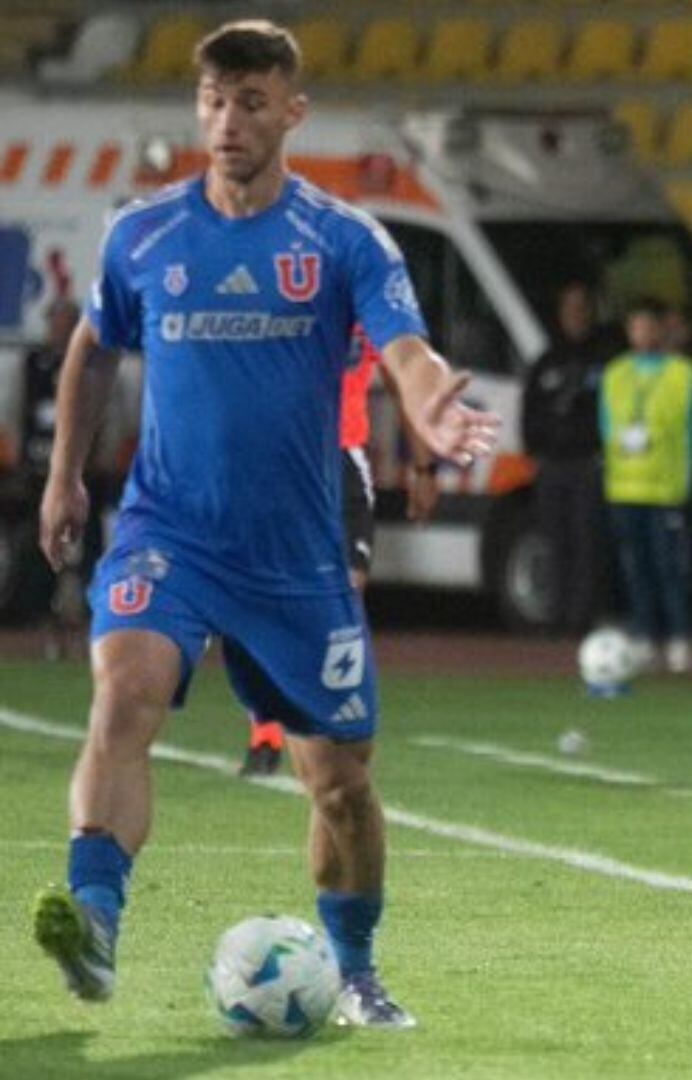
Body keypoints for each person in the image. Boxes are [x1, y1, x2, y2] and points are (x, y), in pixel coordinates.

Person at [31, 20, 497, 1026]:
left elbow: (408, 349)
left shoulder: (342, 240)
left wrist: (425, 404)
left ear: (293, 112)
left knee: (339, 788)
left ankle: (357, 968)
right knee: (123, 695)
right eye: (212, 100)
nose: (227, 120)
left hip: (295, 553)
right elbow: (91, 352)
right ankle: (96, 918)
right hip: (171, 532)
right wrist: (65, 476)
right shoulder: (143, 234)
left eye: (250, 101)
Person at [241, 331, 441, 777]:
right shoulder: (284, 305)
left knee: (347, 599)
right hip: (284, 463)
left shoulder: (367, 315)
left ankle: (340, 728)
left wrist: (423, 465)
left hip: (343, 466)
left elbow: (403, 382)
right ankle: (266, 733)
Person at [599, 298, 692, 675]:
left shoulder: (684, 374)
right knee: (636, 567)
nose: (643, 333)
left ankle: (679, 638)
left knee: (671, 567)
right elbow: (606, 427)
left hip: (667, 489)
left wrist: (688, 473)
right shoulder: (615, 374)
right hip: (625, 488)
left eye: (650, 325)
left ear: (662, 329)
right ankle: (644, 637)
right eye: (636, 325)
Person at [522, 280, 618, 636]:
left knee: (587, 543)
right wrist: (535, 454)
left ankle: (582, 620)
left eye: (582, 307)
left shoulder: (604, 360)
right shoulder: (547, 361)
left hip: (587, 463)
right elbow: (530, 412)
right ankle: (555, 618)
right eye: (570, 307)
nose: (576, 315)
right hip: (553, 464)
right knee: (554, 542)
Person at [19, 296, 105, 660]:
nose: (59, 327)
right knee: (43, 549)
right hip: (41, 471)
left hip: (85, 473)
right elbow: (24, 412)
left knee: (87, 550)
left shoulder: (96, 363)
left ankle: (87, 623)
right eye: (55, 320)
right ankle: (41, 623)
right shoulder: (35, 363)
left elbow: (101, 414)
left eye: (66, 321)